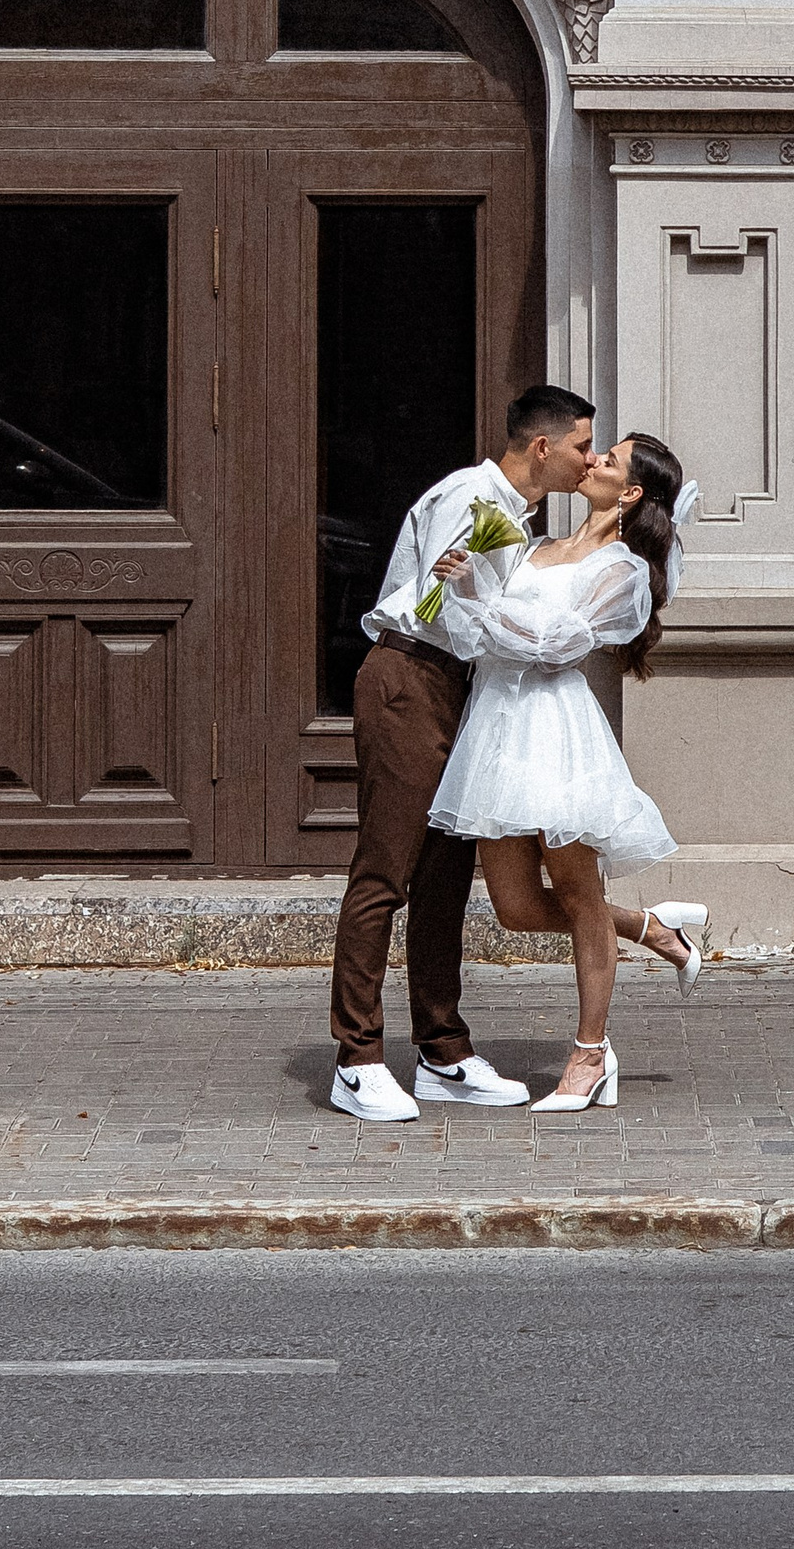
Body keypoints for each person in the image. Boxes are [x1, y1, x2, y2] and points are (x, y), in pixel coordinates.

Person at [328, 381, 597, 1122]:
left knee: (446, 874)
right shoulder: (470, 500)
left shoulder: (519, 520)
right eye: (582, 445)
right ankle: (355, 1059)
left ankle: (442, 1051)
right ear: (542, 446)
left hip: (460, 687)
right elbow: (435, 606)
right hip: (410, 676)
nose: (590, 460)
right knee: (386, 870)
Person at [428, 430, 708, 1114]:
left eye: (608, 460)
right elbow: (475, 639)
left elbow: (555, 647)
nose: (593, 462)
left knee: (579, 895)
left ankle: (590, 1054)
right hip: (496, 727)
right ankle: (648, 927)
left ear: (632, 492)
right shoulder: (538, 548)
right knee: (515, 908)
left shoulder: (622, 571)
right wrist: (461, 588)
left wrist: (479, 600)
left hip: (552, 730)